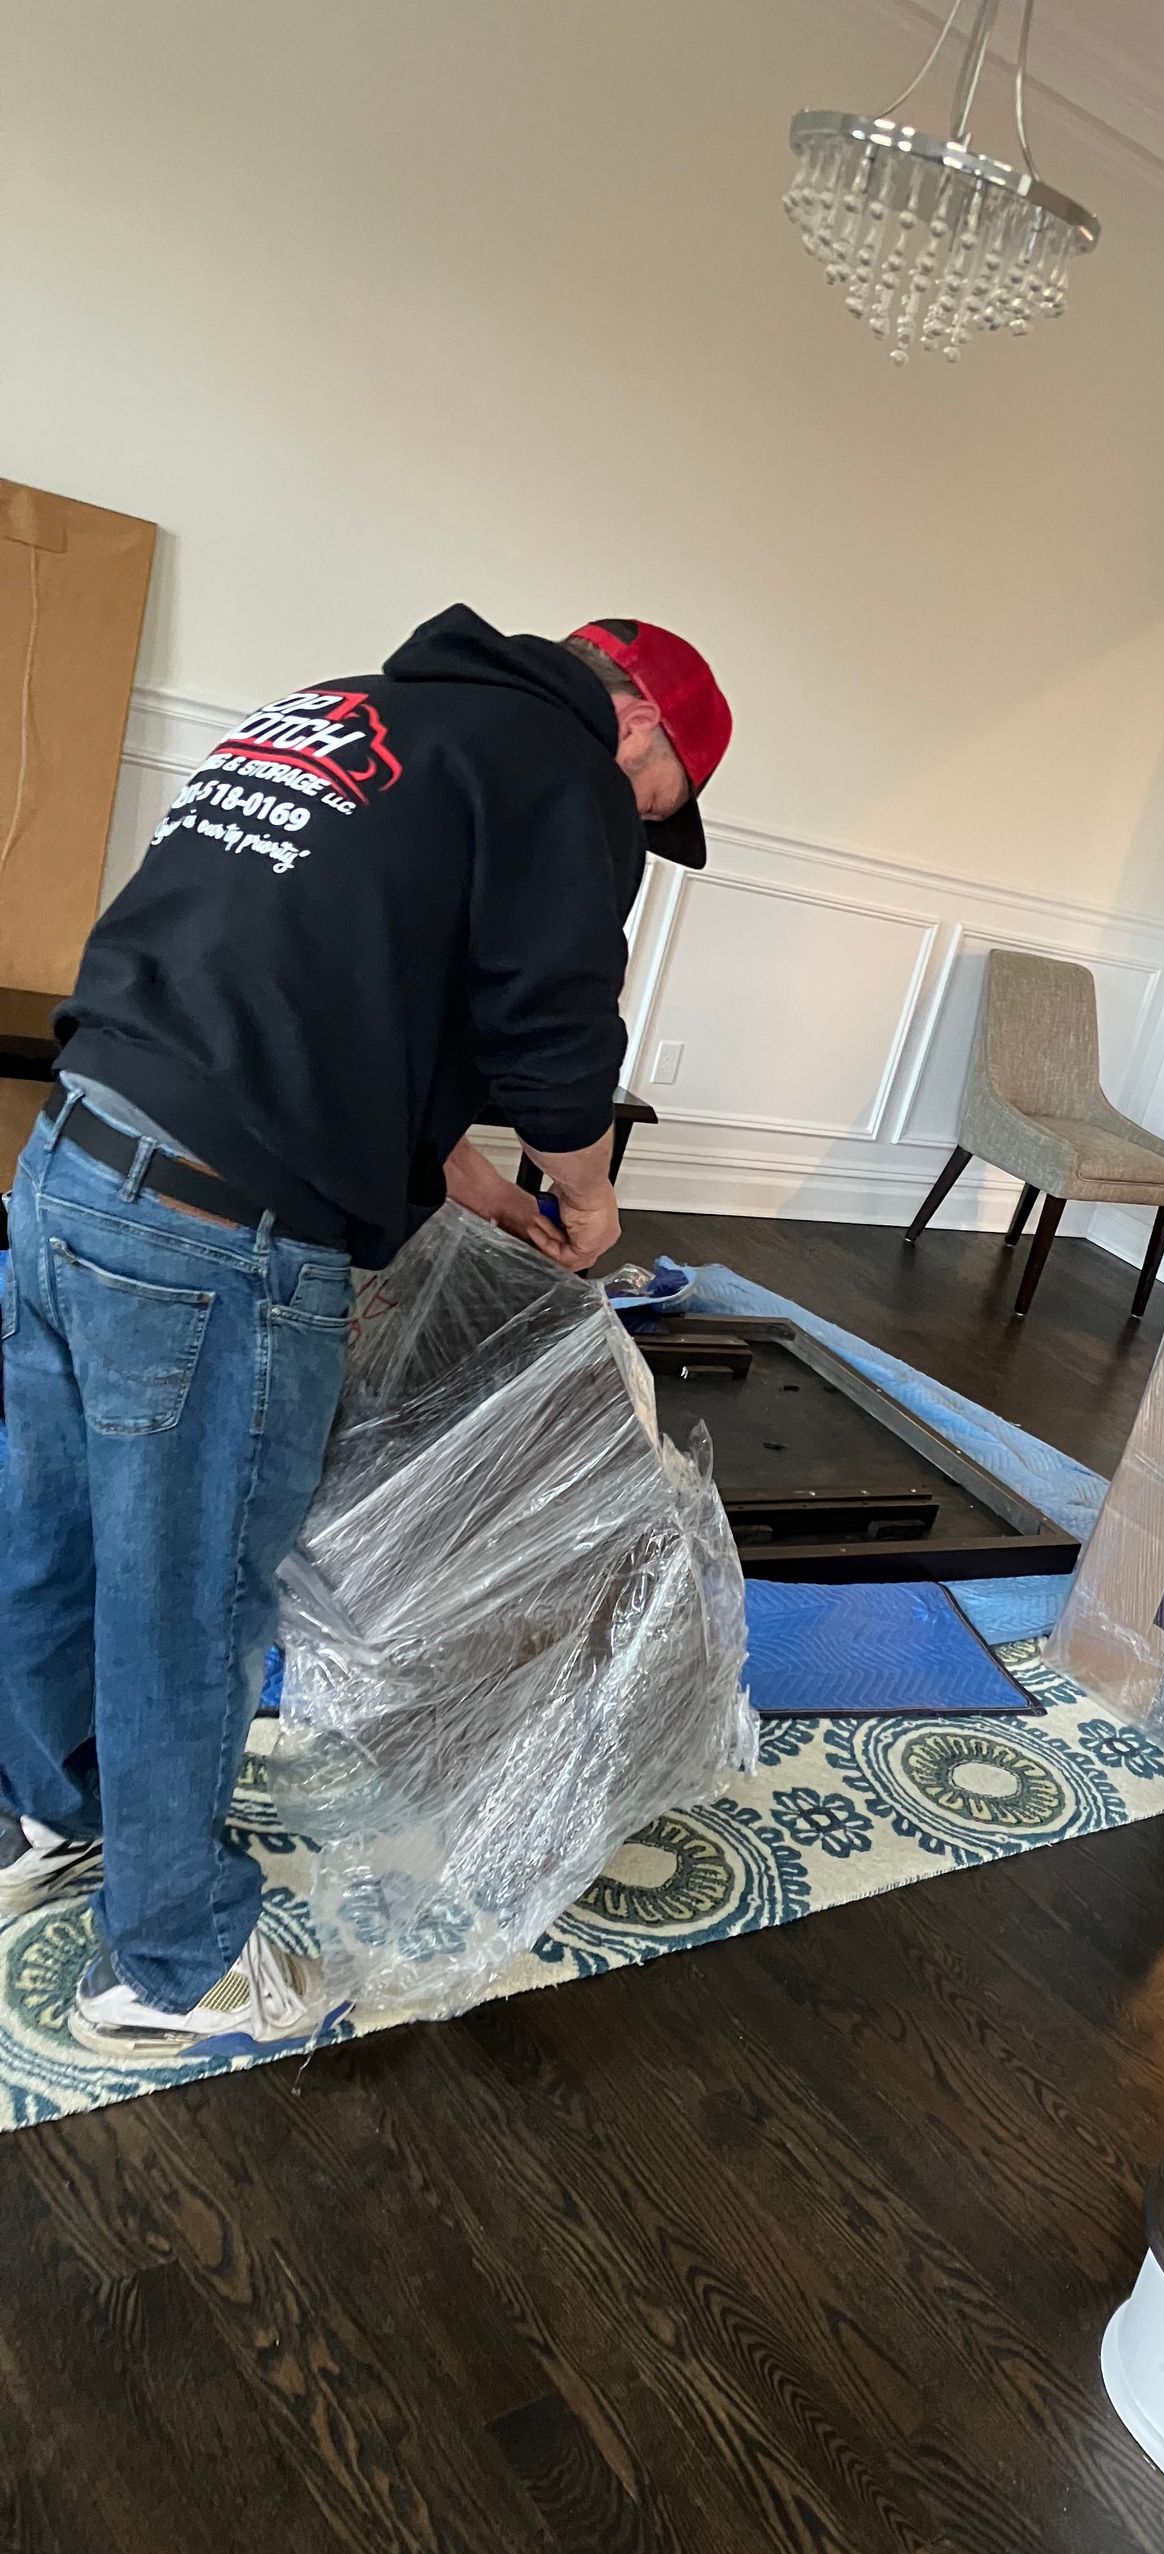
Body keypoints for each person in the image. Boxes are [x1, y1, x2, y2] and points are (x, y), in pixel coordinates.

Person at [0, 604, 731, 2058]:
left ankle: (42, 1808)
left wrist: (456, 1180)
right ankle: (173, 1961)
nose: (639, 841)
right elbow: (555, 1027)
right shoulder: (560, 764)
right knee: (189, 1594)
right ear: (637, 729)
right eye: (660, 812)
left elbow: (316, 1010)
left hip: (73, 1156)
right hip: (211, 1237)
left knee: (50, 1524)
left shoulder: (351, 713)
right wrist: (583, 1195)